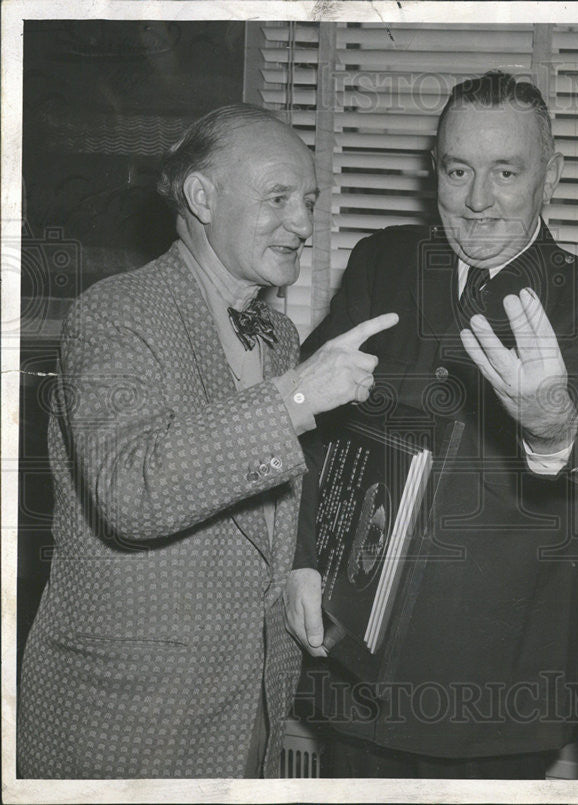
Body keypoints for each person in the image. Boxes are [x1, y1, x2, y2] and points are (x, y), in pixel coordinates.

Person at [17, 104, 398, 778]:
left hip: (248, 714)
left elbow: (265, 500)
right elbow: (131, 488)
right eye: (278, 198)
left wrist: (301, 565)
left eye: (308, 201)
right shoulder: (114, 311)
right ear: (201, 196)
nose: (305, 224)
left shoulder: (277, 337)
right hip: (123, 724)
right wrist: (301, 396)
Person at [286, 71, 578, 778]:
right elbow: (309, 423)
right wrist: (303, 557)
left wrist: (551, 423)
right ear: (435, 172)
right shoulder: (381, 263)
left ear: (550, 176)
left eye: (506, 172)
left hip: (490, 703)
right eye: (458, 171)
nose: (478, 201)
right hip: (352, 672)